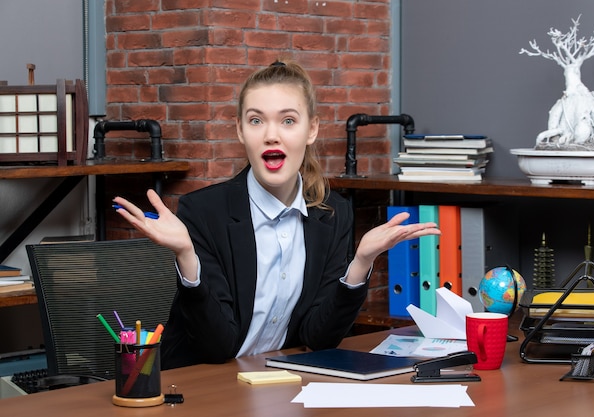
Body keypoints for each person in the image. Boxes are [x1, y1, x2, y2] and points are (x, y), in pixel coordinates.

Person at [113, 60, 440, 369]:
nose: (272, 134)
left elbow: (319, 337)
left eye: (288, 120)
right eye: (256, 120)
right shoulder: (203, 212)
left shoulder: (332, 213)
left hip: (277, 381)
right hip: (199, 385)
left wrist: (361, 263)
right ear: (240, 131)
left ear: (311, 130)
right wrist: (186, 256)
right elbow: (218, 347)